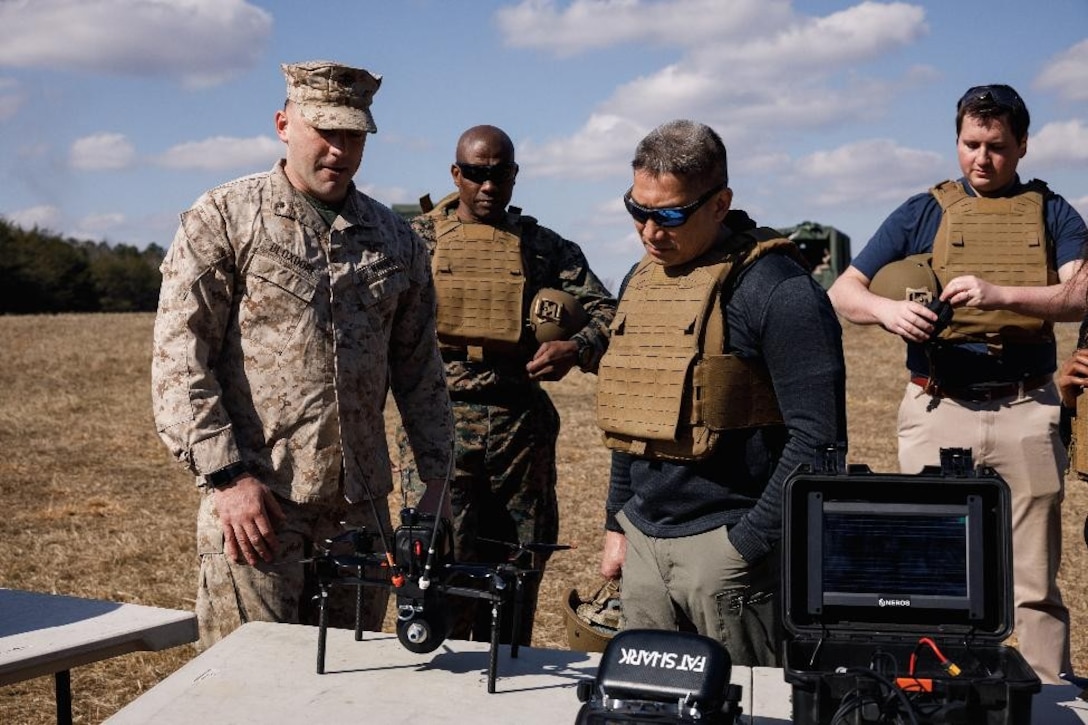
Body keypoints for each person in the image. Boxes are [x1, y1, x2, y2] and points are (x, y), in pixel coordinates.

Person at [151, 60, 454, 649]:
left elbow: (421, 373)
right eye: (326, 132)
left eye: (354, 135)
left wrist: (437, 479)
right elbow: (179, 361)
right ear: (283, 124)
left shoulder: (397, 240)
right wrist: (227, 479)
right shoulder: (225, 218)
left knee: (349, 684)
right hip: (259, 507)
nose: (339, 150)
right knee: (247, 685)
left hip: (359, 517)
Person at [828, 84, 1088, 684]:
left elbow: (1080, 294)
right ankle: (936, 689)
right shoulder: (922, 210)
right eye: (971, 144)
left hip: (1026, 406)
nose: (982, 158)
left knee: (1034, 579)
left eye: (996, 146)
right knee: (930, 570)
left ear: (1022, 145)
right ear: (956, 141)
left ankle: (1044, 695)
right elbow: (846, 289)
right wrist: (888, 313)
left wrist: (1004, 295)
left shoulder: (1053, 212)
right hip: (936, 405)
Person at [596, 119, 847, 666]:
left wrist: (745, 547)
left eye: (670, 215)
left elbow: (820, 443)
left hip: (727, 555)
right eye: (637, 210)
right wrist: (618, 523)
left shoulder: (780, 290)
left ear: (720, 202)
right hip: (644, 544)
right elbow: (630, 412)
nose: (649, 232)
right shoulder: (639, 281)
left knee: (748, 707)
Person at [398, 124, 617, 646]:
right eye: (476, 174)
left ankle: (508, 667)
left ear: (514, 176)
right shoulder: (415, 240)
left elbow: (609, 313)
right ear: (457, 173)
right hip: (439, 425)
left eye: (499, 175)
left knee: (518, 565)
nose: (487, 186)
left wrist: (577, 347)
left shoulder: (542, 246)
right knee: (433, 563)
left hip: (521, 429)